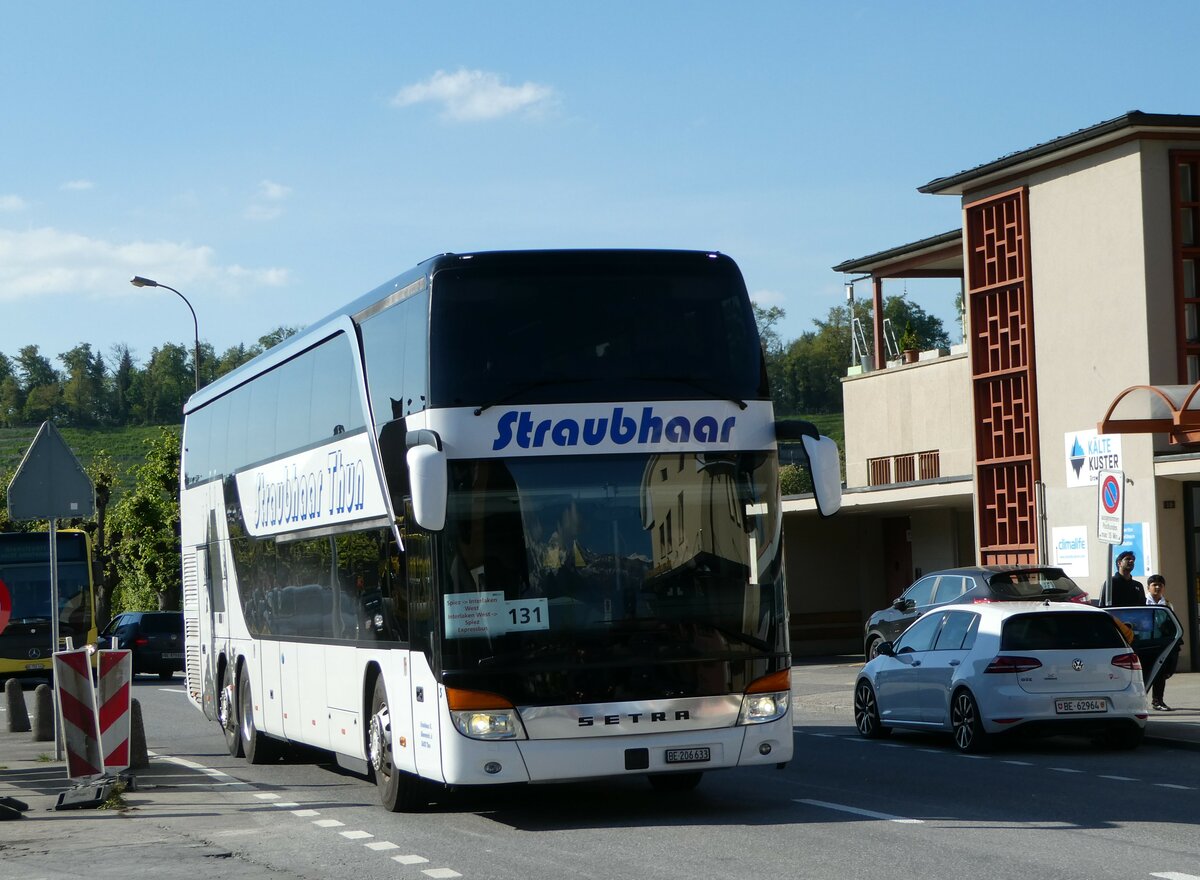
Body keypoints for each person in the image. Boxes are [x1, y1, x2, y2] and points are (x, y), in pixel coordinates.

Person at [1146, 573, 1181, 711]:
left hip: (1161, 643)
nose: (1157, 587)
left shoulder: (1167, 604)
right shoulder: (1143, 603)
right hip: (1146, 642)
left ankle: (1158, 701)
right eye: (1154, 585)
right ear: (1148, 587)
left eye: (1160, 585)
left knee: (1162, 673)